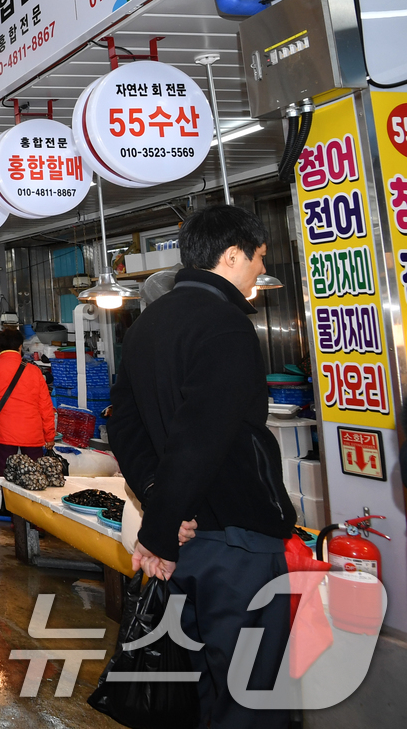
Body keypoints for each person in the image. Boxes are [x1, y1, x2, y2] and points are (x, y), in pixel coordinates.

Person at [110, 204, 296, 729]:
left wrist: (158, 504)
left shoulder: (146, 327)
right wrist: (162, 529)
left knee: (203, 686)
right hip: (234, 545)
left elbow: (123, 424)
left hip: (186, 544)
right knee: (248, 695)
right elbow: (201, 438)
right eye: (259, 258)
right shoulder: (227, 327)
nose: (261, 270)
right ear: (231, 254)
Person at [0, 328, 55, 469]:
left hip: (4, 431)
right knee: (33, 478)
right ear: (20, 347)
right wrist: (49, 435)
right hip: (32, 433)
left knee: (7, 476)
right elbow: (45, 406)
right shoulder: (34, 371)